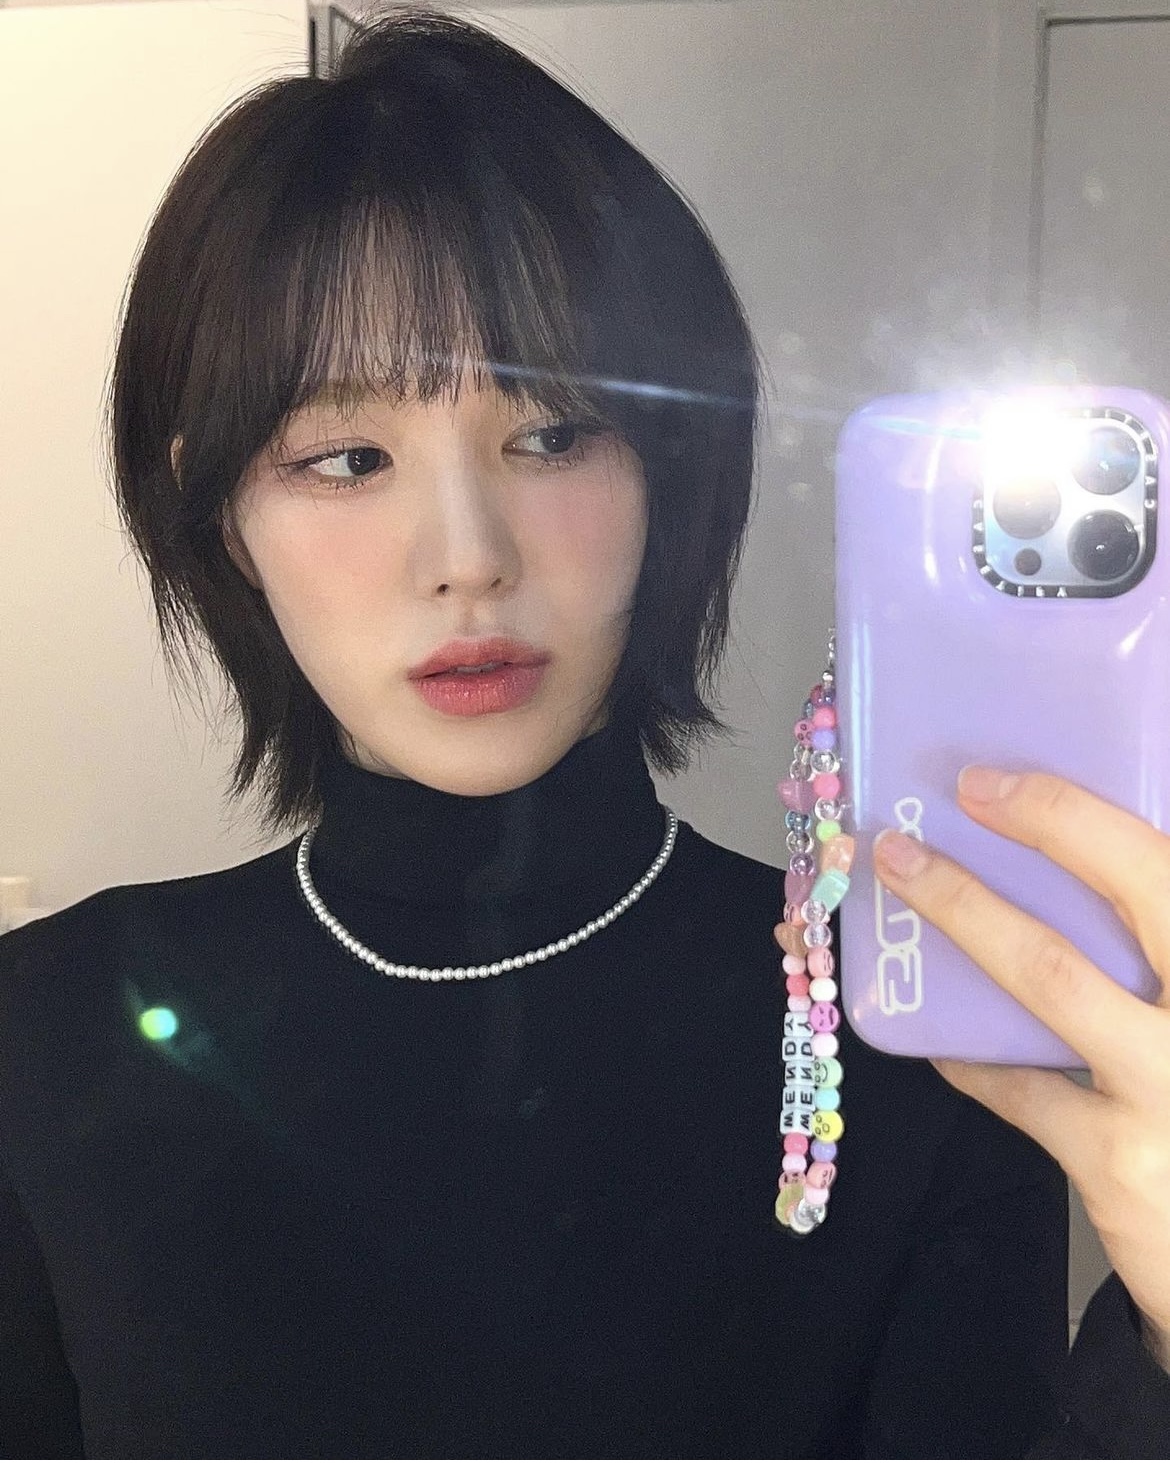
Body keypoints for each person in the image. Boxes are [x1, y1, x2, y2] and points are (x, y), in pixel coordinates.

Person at [1, 4, 1168, 1456]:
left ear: (669, 468)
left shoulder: (900, 1046)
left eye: (552, 434)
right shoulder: (42, 1030)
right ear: (220, 512)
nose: (468, 557)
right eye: (346, 457)